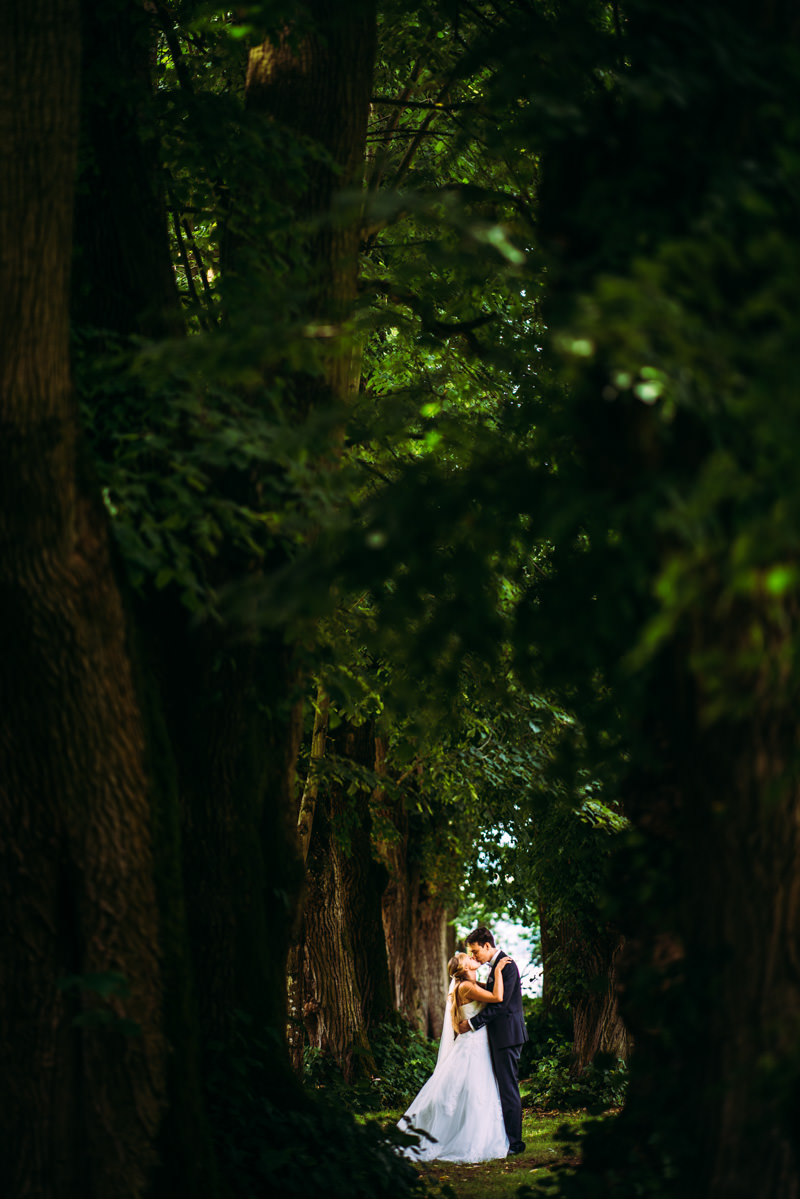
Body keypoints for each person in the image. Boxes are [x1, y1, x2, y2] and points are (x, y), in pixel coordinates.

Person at [396, 951, 512, 1162]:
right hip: (473, 1044)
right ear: (464, 968)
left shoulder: (470, 985)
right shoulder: (466, 987)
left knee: (475, 1088)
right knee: (472, 1088)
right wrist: (498, 970)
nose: (472, 957)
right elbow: (497, 997)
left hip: (478, 1041)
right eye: (467, 958)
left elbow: (490, 994)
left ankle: (474, 1131)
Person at [458, 925, 528, 1156]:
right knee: (502, 1087)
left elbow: (500, 1005)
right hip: (500, 1036)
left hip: (508, 1036)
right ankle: (505, 1137)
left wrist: (471, 1023)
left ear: (487, 945)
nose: (473, 956)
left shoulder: (506, 965)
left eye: (475, 951)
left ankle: (515, 1143)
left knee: (508, 1088)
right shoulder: (494, 967)